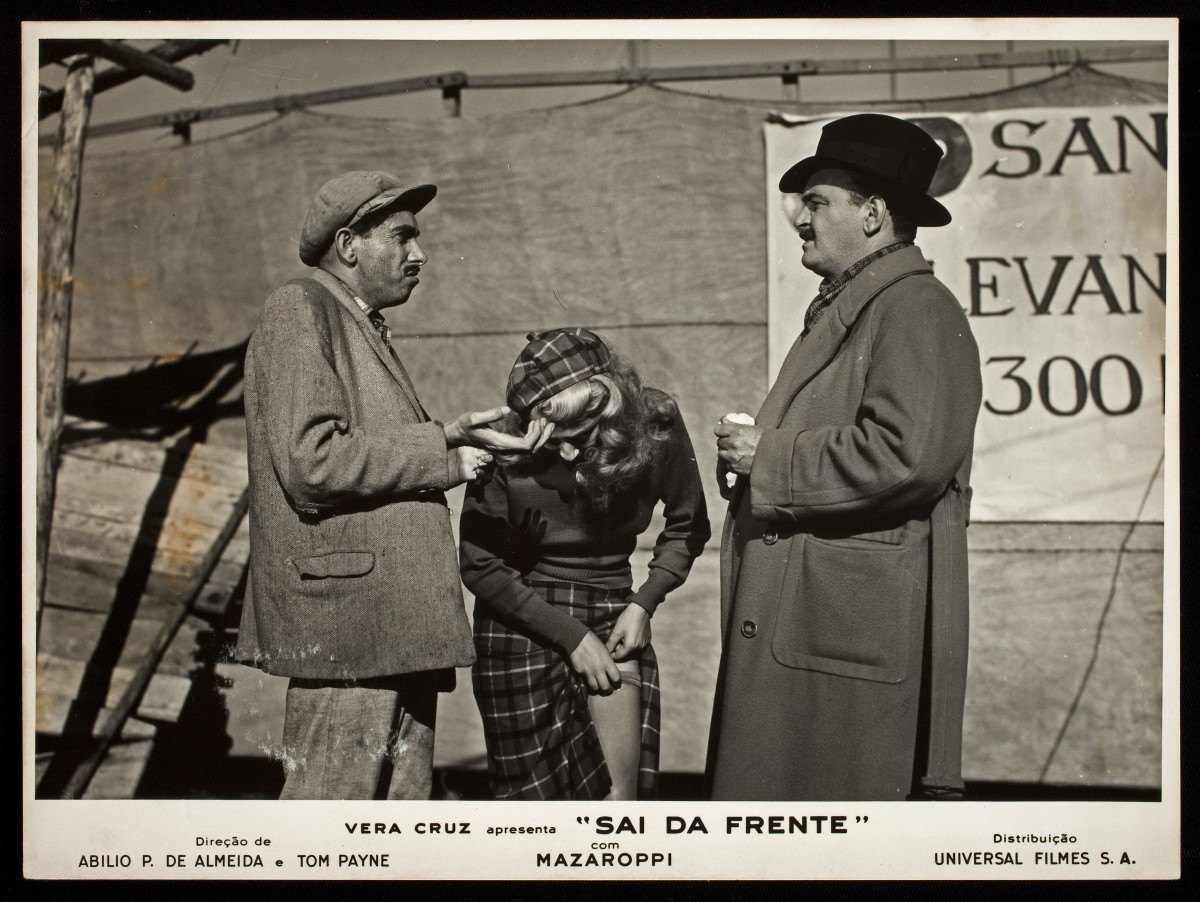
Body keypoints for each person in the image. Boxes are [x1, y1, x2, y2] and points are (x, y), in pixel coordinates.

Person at [236, 170, 548, 800]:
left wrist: (457, 442)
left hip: (389, 627)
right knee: (327, 825)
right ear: (349, 245)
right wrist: (443, 443)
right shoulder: (300, 308)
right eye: (402, 237)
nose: (420, 253)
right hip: (353, 626)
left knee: (391, 825)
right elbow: (310, 462)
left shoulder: (353, 319)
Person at [706, 114, 983, 801]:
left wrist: (767, 458)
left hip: (839, 646)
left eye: (818, 202)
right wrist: (752, 462)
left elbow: (906, 454)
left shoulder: (915, 308)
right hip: (820, 636)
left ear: (872, 214)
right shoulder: (859, 305)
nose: (799, 218)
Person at [459, 328, 710, 800]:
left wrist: (644, 604)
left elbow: (687, 524)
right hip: (521, 620)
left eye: (580, 436)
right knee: (534, 809)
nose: (569, 452)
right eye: (554, 441)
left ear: (611, 407)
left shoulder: (656, 423)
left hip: (614, 609)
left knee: (618, 806)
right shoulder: (506, 442)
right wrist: (572, 637)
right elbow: (479, 565)